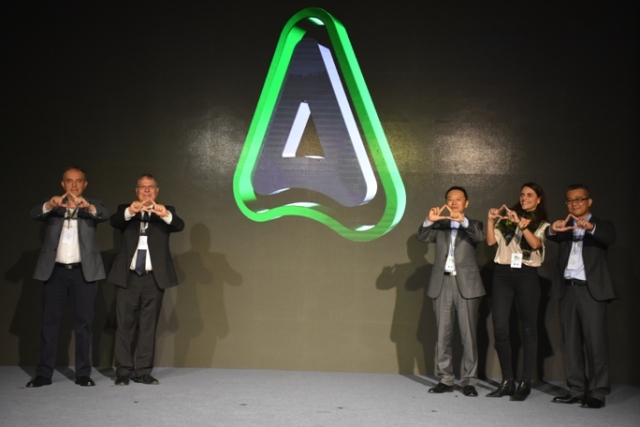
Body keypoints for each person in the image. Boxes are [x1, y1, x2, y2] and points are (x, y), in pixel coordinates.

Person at [27, 167, 109, 388]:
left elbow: (104, 214)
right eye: (69, 181)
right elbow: (34, 213)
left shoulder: (93, 205)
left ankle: (83, 374)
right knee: (49, 323)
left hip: (84, 273)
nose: (74, 185)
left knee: (84, 324)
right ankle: (44, 373)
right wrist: (49, 205)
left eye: (78, 181)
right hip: (55, 273)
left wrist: (87, 206)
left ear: (85, 184)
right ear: (63, 184)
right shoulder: (54, 205)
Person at [108, 174, 184, 385]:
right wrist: (131, 211)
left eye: (151, 187)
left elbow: (178, 225)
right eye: (143, 187)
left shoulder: (165, 211)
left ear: (157, 191)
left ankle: (142, 371)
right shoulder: (126, 210)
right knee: (124, 325)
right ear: (137, 191)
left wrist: (164, 214)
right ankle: (123, 371)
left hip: (153, 278)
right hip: (128, 277)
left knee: (148, 327)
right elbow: (115, 221)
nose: (147, 190)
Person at [545, 184, 615, 409]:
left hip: (591, 292)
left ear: (589, 201)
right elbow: (549, 234)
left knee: (596, 344)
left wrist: (590, 227)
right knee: (571, 343)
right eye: (569, 200)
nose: (574, 203)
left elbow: (609, 237)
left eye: (579, 199)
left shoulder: (602, 225)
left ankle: (598, 392)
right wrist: (554, 228)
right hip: (568, 290)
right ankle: (576, 390)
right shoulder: (566, 226)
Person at [417, 186, 485, 397]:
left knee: (468, 335)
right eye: (450, 199)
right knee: (442, 334)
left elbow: (479, 236)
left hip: (466, 285)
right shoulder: (440, 225)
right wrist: (429, 221)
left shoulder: (474, 224)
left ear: (466, 203)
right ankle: (445, 379)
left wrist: (462, 221)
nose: (454, 202)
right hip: (442, 282)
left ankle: (469, 381)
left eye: (458, 199)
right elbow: (422, 236)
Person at [485, 182, 549, 401]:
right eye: (522, 194)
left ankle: (525, 382)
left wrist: (521, 225)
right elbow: (490, 241)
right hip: (502, 274)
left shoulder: (542, 224)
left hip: (526, 274)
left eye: (530, 195)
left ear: (539, 199)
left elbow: (535, 245)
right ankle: (507, 381)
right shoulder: (506, 220)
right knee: (500, 328)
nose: (524, 198)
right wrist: (491, 219)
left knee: (529, 329)